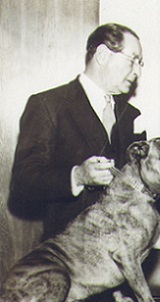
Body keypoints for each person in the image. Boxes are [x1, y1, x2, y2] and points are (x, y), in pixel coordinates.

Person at [9, 23, 146, 240]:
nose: (137, 72)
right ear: (102, 54)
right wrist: (77, 176)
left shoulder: (131, 114)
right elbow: (23, 183)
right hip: (70, 254)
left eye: (141, 64)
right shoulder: (47, 105)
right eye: (133, 60)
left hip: (121, 254)